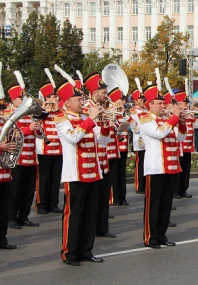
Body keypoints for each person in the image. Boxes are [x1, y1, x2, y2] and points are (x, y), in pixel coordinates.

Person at [55, 74, 109, 266]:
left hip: (93, 172)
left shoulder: (87, 117)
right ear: (67, 102)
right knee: (74, 214)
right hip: (75, 173)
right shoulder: (61, 119)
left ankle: (86, 250)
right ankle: (69, 253)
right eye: (78, 100)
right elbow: (73, 137)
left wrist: (104, 125)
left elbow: (102, 141)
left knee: (90, 213)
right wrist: (91, 120)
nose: (82, 103)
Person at [139, 83, 186, 248]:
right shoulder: (145, 119)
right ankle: (150, 237)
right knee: (153, 204)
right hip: (155, 167)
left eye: (163, 103)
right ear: (149, 105)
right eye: (159, 103)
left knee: (166, 204)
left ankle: (162, 235)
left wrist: (181, 123)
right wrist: (174, 118)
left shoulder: (166, 119)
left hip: (171, 167)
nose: (163, 106)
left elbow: (180, 138)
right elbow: (160, 133)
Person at [83, 72, 116, 239]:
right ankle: (91, 229)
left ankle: (102, 228)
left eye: (106, 92)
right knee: (92, 199)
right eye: (103, 92)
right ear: (94, 92)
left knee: (103, 196)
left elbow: (104, 137)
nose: (106, 95)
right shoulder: (85, 108)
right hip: (89, 160)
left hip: (103, 158)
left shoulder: (104, 108)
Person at [6, 72, 41, 229]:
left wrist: (39, 130)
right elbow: (11, 133)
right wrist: (28, 129)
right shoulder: (9, 115)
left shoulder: (29, 115)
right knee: (15, 191)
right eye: (21, 98)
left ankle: (24, 216)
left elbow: (38, 135)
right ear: (14, 100)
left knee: (28, 191)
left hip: (30, 158)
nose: (24, 101)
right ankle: (12, 217)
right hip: (17, 159)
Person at [35, 78, 64, 215]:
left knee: (55, 179)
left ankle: (53, 203)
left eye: (55, 96)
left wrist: (57, 110)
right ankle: (41, 204)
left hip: (58, 150)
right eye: (52, 96)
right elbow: (39, 117)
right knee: (43, 179)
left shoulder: (61, 111)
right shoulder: (41, 110)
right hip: (44, 150)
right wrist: (46, 107)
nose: (55, 98)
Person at [0, 99, 18, 249]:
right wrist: (2, 148)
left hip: (5, 173)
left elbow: (13, 143)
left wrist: (14, 141)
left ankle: (2, 239)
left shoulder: (4, 124)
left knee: (3, 210)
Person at [174, 90, 198, 199]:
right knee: (179, 170)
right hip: (180, 147)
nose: (186, 105)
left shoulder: (189, 114)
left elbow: (197, 125)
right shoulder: (176, 114)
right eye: (184, 103)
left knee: (186, 169)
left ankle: (184, 189)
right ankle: (176, 190)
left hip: (188, 147)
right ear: (179, 103)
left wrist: (192, 116)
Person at [129, 85, 148, 194]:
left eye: (143, 99)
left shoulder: (147, 110)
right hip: (139, 140)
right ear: (135, 101)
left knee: (146, 164)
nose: (142, 101)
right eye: (140, 100)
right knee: (140, 164)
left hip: (147, 140)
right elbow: (133, 128)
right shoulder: (132, 112)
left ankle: (145, 184)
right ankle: (139, 185)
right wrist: (144, 127)